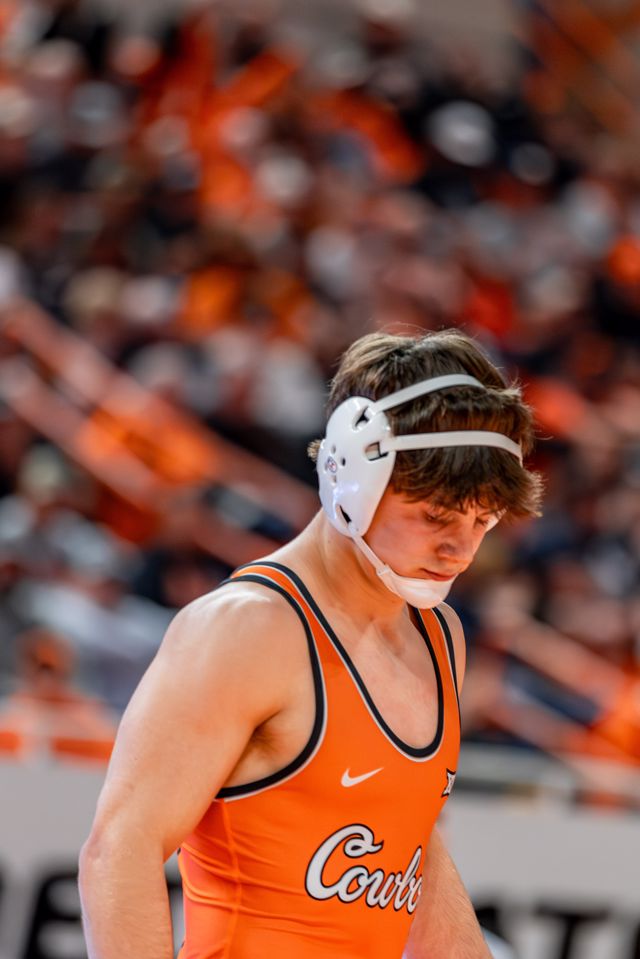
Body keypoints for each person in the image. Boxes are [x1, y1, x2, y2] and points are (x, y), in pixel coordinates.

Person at [79, 330, 542, 959]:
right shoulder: (248, 629)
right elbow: (119, 850)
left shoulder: (440, 637)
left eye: (482, 521)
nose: (460, 549)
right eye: (435, 516)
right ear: (351, 475)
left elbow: (411, 851)